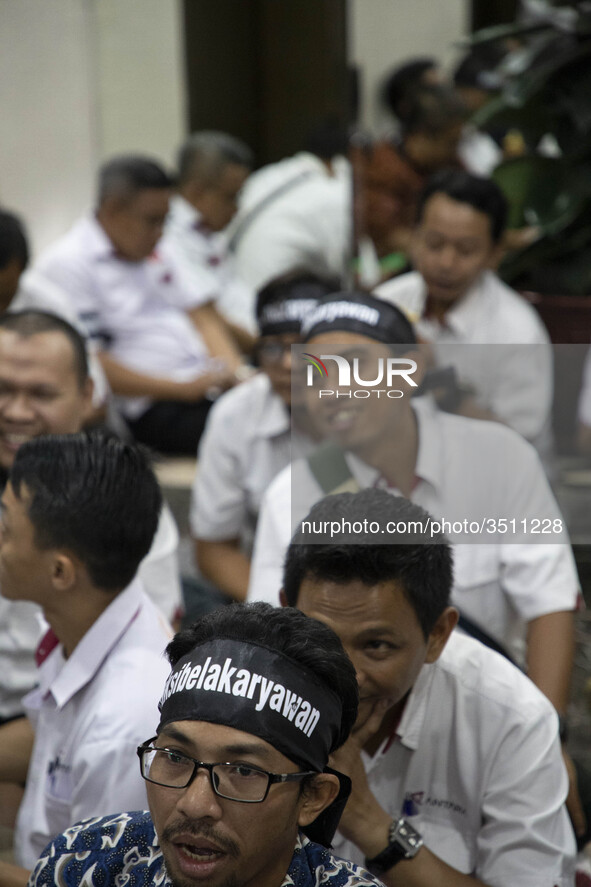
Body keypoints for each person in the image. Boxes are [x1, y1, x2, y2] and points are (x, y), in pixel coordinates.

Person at [247, 292, 580, 782]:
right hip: (348, 731)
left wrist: (545, 744)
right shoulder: (292, 497)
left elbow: (550, 606)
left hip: (486, 723)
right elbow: (275, 644)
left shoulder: (500, 459)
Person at [281, 489, 576, 885]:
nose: (344, 676)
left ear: (438, 634)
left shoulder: (513, 719)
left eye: (376, 646)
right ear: (285, 611)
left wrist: (368, 821)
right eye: (321, 638)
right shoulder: (238, 694)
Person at [28, 602, 386, 887]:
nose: (195, 804)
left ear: (312, 797)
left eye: (243, 771)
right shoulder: (83, 862)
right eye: (175, 757)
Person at [0, 430, 172, 885]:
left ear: (59, 571)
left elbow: (94, 881)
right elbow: (49, 735)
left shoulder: (122, 727)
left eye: (5, 527)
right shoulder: (79, 614)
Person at [34, 154, 244, 454]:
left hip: (209, 386)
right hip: (152, 406)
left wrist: (236, 374)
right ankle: (317, 489)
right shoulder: (68, 264)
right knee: (276, 425)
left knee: (315, 394)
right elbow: (91, 362)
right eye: (152, 221)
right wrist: (184, 389)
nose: (160, 233)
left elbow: (202, 314)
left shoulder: (158, 247)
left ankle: (322, 483)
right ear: (112, 210)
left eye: (165, 220)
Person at [374, 169, 553, 452]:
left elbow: (518, 444)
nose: (446, 262)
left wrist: (440, 386)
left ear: (495, 254)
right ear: (414, 236)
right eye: (434, 244)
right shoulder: (386, 304)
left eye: (466, 250)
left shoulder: (518, 332)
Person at [191, 273, 335, 602]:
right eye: (272, 347)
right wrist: (288, 617)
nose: (287, 363)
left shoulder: (384, 408)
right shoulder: (235, 414)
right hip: (276, 593)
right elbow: (214, 549)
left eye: (304, 348)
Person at [160, 130, 257, 339]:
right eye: (230, 197)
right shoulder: (165, 238)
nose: (236, 208)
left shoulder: (210, 232)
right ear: (197, 191)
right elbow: (207, 317)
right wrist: (264, 346)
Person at [353, 84, 466, 261]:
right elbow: (390, 237)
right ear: (419, 136)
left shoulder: (449, 164)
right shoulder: (383, 171)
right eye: (450, 143)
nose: (455, 151)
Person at [229, 128, 350, 293]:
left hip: (231, 289)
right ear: (341, 162)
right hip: (271, 300)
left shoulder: (266, 175)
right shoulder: (332, 192)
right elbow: (345, 272)